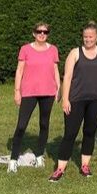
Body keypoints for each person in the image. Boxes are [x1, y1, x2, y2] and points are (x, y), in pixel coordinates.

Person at [49, 22, 97, 182]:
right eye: (85, 37)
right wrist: (65, 99)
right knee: (70, 134)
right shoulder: (75, 53)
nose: (88, 39)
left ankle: (85, 166)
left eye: (91, 36)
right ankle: (60, 169)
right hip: (76, 100)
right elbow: (67, 77)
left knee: (90, 132)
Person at [9, 22, 60, 173]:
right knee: (21, 125)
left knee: (44, 124)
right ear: (34, 33)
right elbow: (19, 71)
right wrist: (17, 91)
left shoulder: (53, 50)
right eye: (39, 31)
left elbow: (56, 69)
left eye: (45, 32)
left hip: (48, 92)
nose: (42, 34)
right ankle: (13, 159)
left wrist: (59, 88)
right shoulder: (25, 49)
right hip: (29, 92)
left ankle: (39, 155)